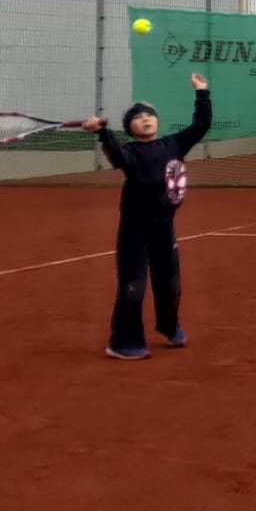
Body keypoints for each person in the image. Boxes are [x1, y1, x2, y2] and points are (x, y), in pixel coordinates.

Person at [82, 72, 212, 360]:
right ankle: (122, 342)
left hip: (164, 227)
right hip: (135, 231)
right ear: (129, 127)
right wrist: (102, 131)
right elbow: (116, 155)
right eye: (137, 117)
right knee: (133, 287)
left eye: (149, 115)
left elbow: (201, 124)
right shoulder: (129, 152)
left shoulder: (174, 144)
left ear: (158, 121)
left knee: (170, 284)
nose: (145, 118)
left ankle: (169, 326)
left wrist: (202, 91)